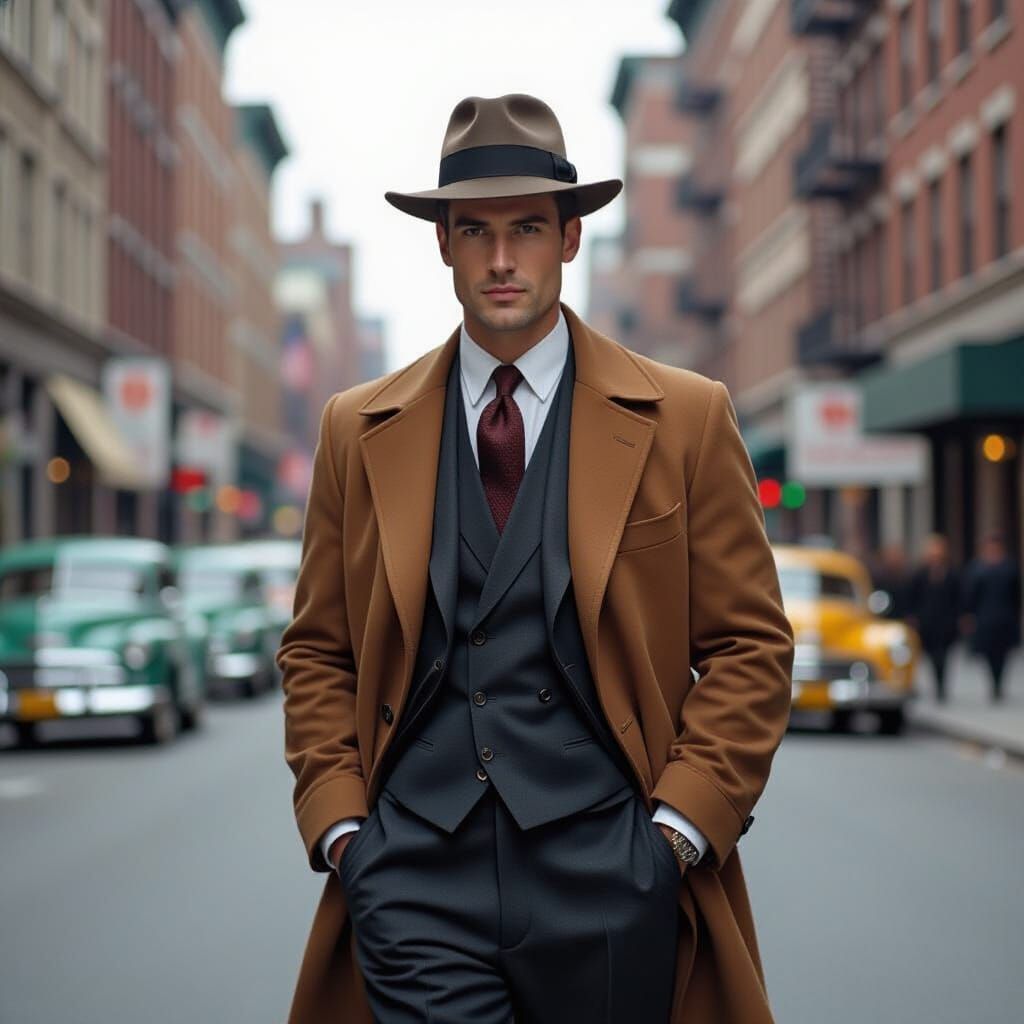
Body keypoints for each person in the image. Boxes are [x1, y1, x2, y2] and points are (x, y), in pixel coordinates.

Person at [278, 94, 794, 1024]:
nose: (502, 258)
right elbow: (318, 647)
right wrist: (345, 829)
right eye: (474, 230)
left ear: (570, 237)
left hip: (610, 871)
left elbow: (751, 647)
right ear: (442, 244)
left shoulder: (684, 416)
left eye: (527, 228)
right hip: (414, 876)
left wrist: (676, 832)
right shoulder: (357, 429)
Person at [961, 532, 1022, 702]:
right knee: (988, 654)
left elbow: (1016, 595)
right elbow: (970, 595)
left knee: (1003, 655)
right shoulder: (977, 569)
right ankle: (994, 684)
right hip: (985, 618)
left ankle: (999, 685)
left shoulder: (1009, 568)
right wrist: (968, 615)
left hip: (1005, 618)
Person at [906, 534, 960, 702]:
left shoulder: (951, 573)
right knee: (932, 656)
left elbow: (958, 596)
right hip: (927, 622)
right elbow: (913, 596)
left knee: (944, 656)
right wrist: (913, 616)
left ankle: (941, 687)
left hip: (946, 622)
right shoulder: (920, 574)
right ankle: (937, 685)